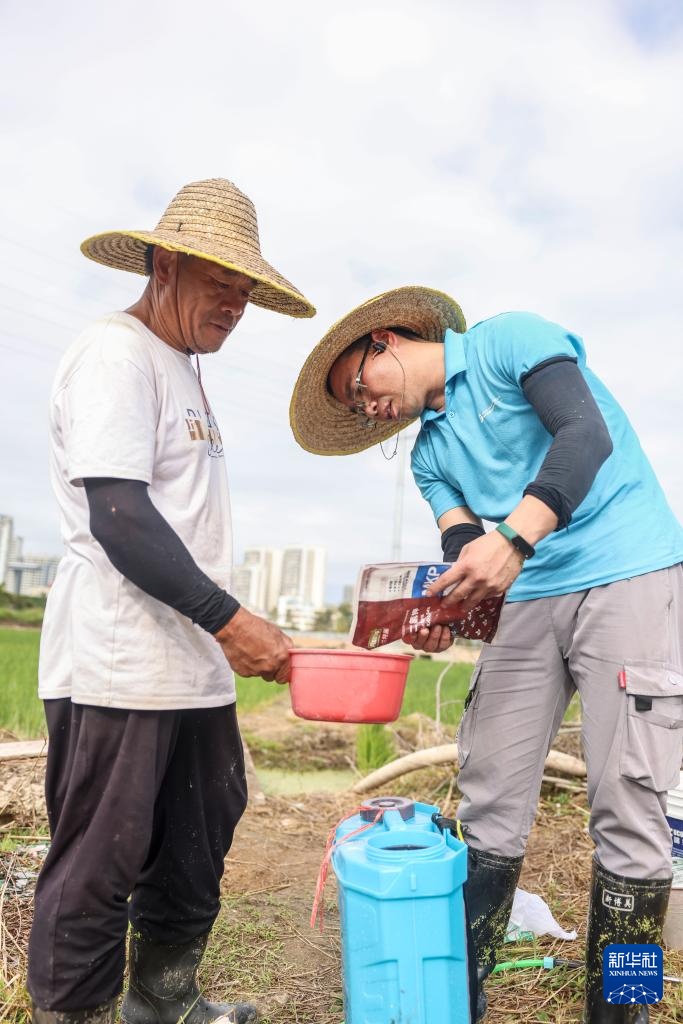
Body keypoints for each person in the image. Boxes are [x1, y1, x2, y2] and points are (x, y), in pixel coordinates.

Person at [289, 286, 683, 1024]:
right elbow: (462, 548)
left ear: (386, 339)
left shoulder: (511, 340)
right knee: (491, 792)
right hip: (527, 593)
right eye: (350, 408)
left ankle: (622, 1011)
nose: (362, 407)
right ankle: (453, 999)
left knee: (629, 804)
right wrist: (448, 610)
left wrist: (515, 539)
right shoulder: (429, 458)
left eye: (357, 387)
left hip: (627, 568)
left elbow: (582, 436)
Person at [28, 178, 315, 1024]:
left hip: (190, 660)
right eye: (218, 281)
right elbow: (118, 516)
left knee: (199, 836)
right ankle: (75, 1014)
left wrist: (227, 625)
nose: (234, 303)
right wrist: (231, 620)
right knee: (99, 862)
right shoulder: (115, 353)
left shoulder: (182, 365)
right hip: (120, 660)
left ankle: (164, 999)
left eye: (245, 290)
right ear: (162, 265)